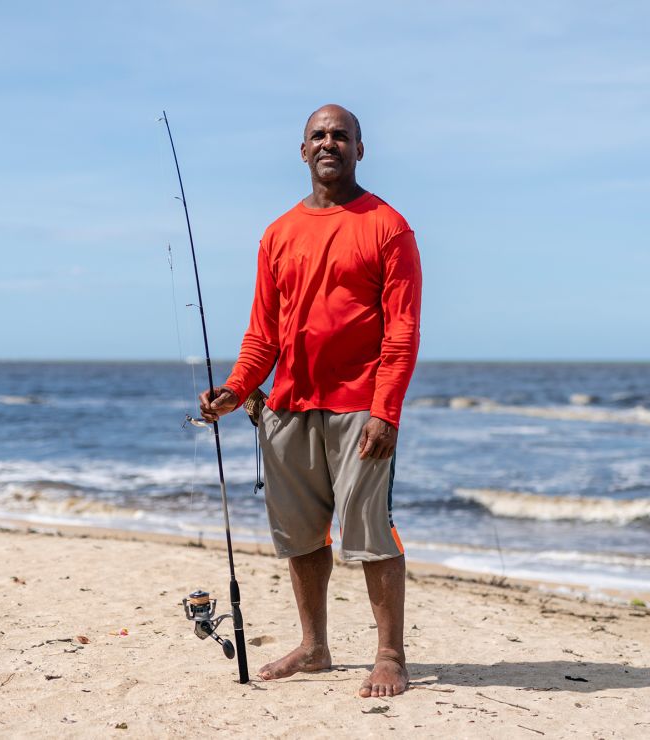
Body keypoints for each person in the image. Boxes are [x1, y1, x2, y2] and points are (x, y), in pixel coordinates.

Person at [198, 104, 421, 698]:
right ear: (303, 151)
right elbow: (262, 334)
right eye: (319, 136)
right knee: (300, 534)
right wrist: (237, 389)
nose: (330, 143)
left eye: (341, 136)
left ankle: (391, 655)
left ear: (360, 149)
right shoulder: (277, 233)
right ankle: (315, 646)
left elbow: (402, 332)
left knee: (372, 531)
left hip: (360, 408)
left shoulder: (388, 226)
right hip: (288, 408)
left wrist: (386, 410)